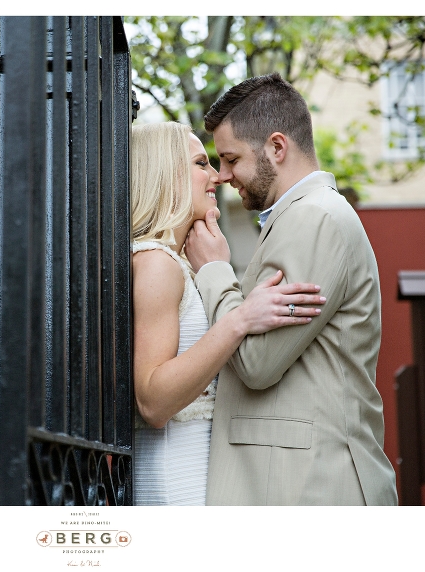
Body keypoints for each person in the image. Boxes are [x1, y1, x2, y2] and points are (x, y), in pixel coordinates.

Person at [184, 72, 399, 505]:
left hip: (313, 488)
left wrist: (213, 271)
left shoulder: (313, 218)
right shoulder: (303, 216)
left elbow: (257, 361)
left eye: (231, 159)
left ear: (277, 148)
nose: (223, 175)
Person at [130, 121, 327, 505]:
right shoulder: (158, 264)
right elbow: (153, 401)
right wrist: (240, 320)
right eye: (201, 163)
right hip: (177, 484)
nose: (216, 176)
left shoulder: (172, 263)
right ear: (165, 174)